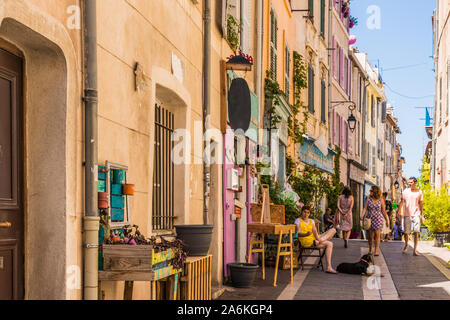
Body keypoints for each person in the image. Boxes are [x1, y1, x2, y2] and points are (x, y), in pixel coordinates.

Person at [295, 205, 337, 274]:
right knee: (330, 244)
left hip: (315, 240)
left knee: (333, 230)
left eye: (308, 213)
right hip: (307, 242)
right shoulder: (298, 221)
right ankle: (329, 267)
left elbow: (315, 232)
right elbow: (299, 233)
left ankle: (319, 240)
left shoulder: (311, 221)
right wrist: (306, 234)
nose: (306, 214)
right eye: (304, 212)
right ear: (301, 212)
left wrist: (318, 239)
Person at [397, 177, 425, 256]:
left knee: (416, 232)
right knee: (406, 232)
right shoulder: (405, 191)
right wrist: (398, 211)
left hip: (416, 214)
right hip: (407, 214)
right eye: (409, 182)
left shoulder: (419, 192)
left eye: (411, 182)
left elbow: (421, 204)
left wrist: (422, 215)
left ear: (415, 183)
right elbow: (402, 202)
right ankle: (406, 244)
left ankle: (415, 250)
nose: (409, 184)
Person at [360, 186, 390, 256]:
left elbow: (383, 210)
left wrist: (386, 220)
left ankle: (376, 250)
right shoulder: (368, 198)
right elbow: (365, 208)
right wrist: (362, 215)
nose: (370, 192)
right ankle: (370, 249)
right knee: (370, 236)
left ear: (375, 192)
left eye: (371, 191)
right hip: (369, 218)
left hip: (378, 218)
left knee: (377, 235)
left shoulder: (381, 199)